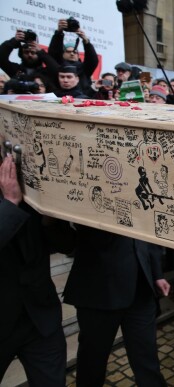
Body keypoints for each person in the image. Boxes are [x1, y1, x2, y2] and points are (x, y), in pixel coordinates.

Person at [63, 222, 170, 386]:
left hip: (141, 290)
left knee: (148, 364)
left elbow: (147, 228)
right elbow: (66, 241)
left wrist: (157, 273)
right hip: (99, 291)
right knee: (92, 366)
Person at [0, 153, 72, 386]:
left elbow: (66, 245)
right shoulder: (11, 190)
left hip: (40, 320)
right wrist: (10, 203)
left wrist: (50, 221)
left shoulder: (24, 178)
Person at [48, 19, 98, 97]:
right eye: (68, 51)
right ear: (62, 54)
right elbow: (54, 53)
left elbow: (93, 60)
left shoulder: (84, 69)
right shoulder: (58, 66)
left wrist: (86, 41)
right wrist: (59, 32)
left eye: (74, 52)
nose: (72, 53)